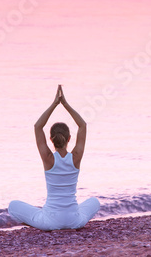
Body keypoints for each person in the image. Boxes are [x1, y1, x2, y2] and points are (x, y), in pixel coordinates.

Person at [8, 85, 100, 230]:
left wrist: (54, 104)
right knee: (95, 201)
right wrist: (65, 104)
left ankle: (38, 223)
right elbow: (82, 125)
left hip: (50, 221)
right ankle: (50, 219)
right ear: (69, 138)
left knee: (13, 206)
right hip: (74, 220)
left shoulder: (48, 158)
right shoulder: (75, 157)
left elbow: (38, 126)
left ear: (51, 139)